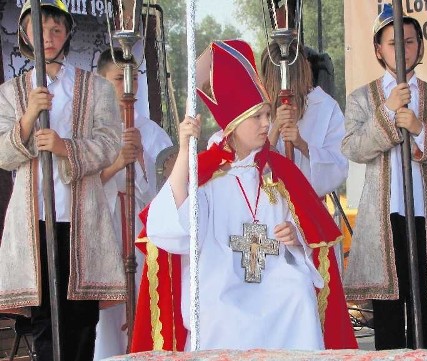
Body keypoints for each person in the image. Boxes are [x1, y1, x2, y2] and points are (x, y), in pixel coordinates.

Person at [132, 39, 356, 351]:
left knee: (297, 294)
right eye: (258, 117)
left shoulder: (279, 172)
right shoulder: (208, 174)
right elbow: (174, 230)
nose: (268, 123)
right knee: (220, 310)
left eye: (268, 114)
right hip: (221, 281)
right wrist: (185, 150)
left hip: (276, 276)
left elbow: (309, 237)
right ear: (233, 125)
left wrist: (296, 237)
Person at [0, 1, 125, 360]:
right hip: (33, 222)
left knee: (81, 321)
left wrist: (64, 147)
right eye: (39, 30)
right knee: (43, 321)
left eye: (56, 29)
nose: (48, 38)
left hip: (79, 219)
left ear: (67, 33)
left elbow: (109, 143)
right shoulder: (10, 93)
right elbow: (2, 153)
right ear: (24, 34)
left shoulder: (96, 88)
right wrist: (27, 119)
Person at [341, 3, 427, 350]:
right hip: (382, 222)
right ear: (378, 50)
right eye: (393, 43)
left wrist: (419, 129)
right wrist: (386, 111)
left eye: (409, 42)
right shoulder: (362, 99)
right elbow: (353, 148)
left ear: (420, 47)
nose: (402, 49)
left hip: (425, 218)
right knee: (388, 319)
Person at [93, 48, 173, 360]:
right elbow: (75, 183)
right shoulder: (88, 129)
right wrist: (114, 166)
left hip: (142, 233)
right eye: (118, 79)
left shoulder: (153, 132)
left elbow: (167, 191)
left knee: (144, 304)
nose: (129, 86)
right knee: (104, 321)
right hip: (103, 231)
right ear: (100, 82)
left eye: (134, 77)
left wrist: (140, 160)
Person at [260, 41, 348, 198]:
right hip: (268, 208)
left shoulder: (325, 107)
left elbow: (339, 166)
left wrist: (302, 145)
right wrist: (275, 128)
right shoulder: (259, 108)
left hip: (309, 206)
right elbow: (250, 166)